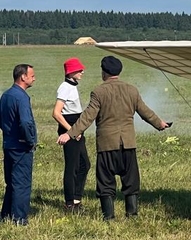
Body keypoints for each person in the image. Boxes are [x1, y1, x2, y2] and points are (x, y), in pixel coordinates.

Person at [58, 56, 170, 220]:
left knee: (105, 182)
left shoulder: (99, 92)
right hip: (128, 143)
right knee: (131, 180)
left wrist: (69, 134)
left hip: (107, 144)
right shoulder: (132, 90)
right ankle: (132, 214)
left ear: (104, 73)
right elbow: (144, 111)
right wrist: (159, 123)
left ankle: (108, 216)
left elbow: (87, 117)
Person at [52, 57, 91, 213]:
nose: (82, 72)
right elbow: (56, 113)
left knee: (84, 164)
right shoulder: (65, 87)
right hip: (71, 129)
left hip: (76, 129)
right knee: (72, 167)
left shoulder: (72, 86)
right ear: (71, 72)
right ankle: (70, 203)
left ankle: (76, 198)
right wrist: (71, 131)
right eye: (79, 70)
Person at [1, 64, 38, 225]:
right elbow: (25, 121)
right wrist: (30, 140)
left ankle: (6, 214)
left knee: (11, 182)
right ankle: (19, 218)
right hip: (21, 146)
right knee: (22, 183)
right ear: (22, 77)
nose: (34, 78)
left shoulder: (6, 95)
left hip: (8, 143)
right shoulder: (21, 97)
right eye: (32, 75)